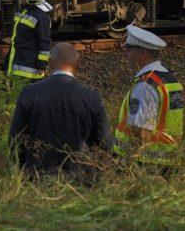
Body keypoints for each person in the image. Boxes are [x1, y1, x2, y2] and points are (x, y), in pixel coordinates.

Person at [9, 43, 111, 174]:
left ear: (50, 63)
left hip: (36, 175)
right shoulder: (93, 97)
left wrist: (23, 168)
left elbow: (15, 139)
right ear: (79, 63)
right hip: (80, 176)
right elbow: (104, 143)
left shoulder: (29, 93)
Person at [113, 25, 184, 168]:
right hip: (169, 162)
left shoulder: (146, 85)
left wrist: (125, 164)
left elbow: (140, 131)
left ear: (143, 54)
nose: (125, 55)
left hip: (143, 164)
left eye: (128, 49)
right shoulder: (172, 82)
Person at [6, 0, 52, 81]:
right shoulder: (23, 11)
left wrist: (41, 65)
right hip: (18, 63)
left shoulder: (41, 16)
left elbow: (45, 42)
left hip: (30, 70)